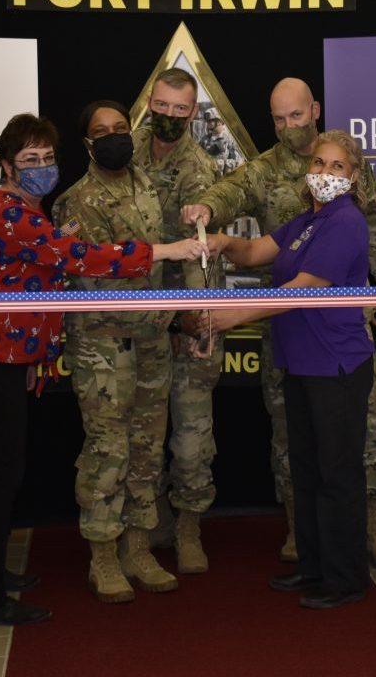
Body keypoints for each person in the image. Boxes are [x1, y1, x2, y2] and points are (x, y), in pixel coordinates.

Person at [0, 112, 204, 626]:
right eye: (29, 161)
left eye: (46, 159)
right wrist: (166, 250)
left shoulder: (28, 212)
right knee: (0, 475)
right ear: (5, 168)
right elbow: (79, 257)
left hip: (8, 357)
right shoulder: (11, 214)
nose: (42, 168)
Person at [181, 77, 376, 570]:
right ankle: (301, 530)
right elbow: (234, 197)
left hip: (337, 329)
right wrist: (211, 217)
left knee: (362, 428)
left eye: (296, 117)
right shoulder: (269, 173)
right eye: (279, 120)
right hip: (289, 335)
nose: (288, 128)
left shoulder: (346, 170)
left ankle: (373, 527)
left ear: (315, 110)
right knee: (293, 436)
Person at [202, 130, 375, 609]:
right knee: (306, 471)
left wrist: (231, 315)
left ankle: (345, 580)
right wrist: (220, 242)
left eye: (336, 167)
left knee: (337, 474)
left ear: (354, 177)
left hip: (336, 367)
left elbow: (302, 288)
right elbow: (257, 252)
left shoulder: (345, 223)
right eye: (318, 164)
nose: (323, 173)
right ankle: (314, 568)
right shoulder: (307, 221)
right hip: (301, 364)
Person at [53, 100, 181, 603]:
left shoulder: (148, 185)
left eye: (121, 128)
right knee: (108, 452)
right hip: (103, 347)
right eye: (102, 131)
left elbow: (164, 256)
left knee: (148, 448)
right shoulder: (76, 202)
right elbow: (91, 274)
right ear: (87, 143)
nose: (114, 137)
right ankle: (102, 557)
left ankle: (138, 547)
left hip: (152, 340)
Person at [131, 69, 224, 575]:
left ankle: (189, 527)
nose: (168, 116)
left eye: (179, 109)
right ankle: (152, 524)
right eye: (161, 106)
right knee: (141, 436)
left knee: (191, 438)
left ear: (194, 112)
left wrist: (202, 320)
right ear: (150, 101)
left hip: (186, 317)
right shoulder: (121, 153)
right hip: (138, 318)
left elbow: (202, 255)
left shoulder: (200, 169)